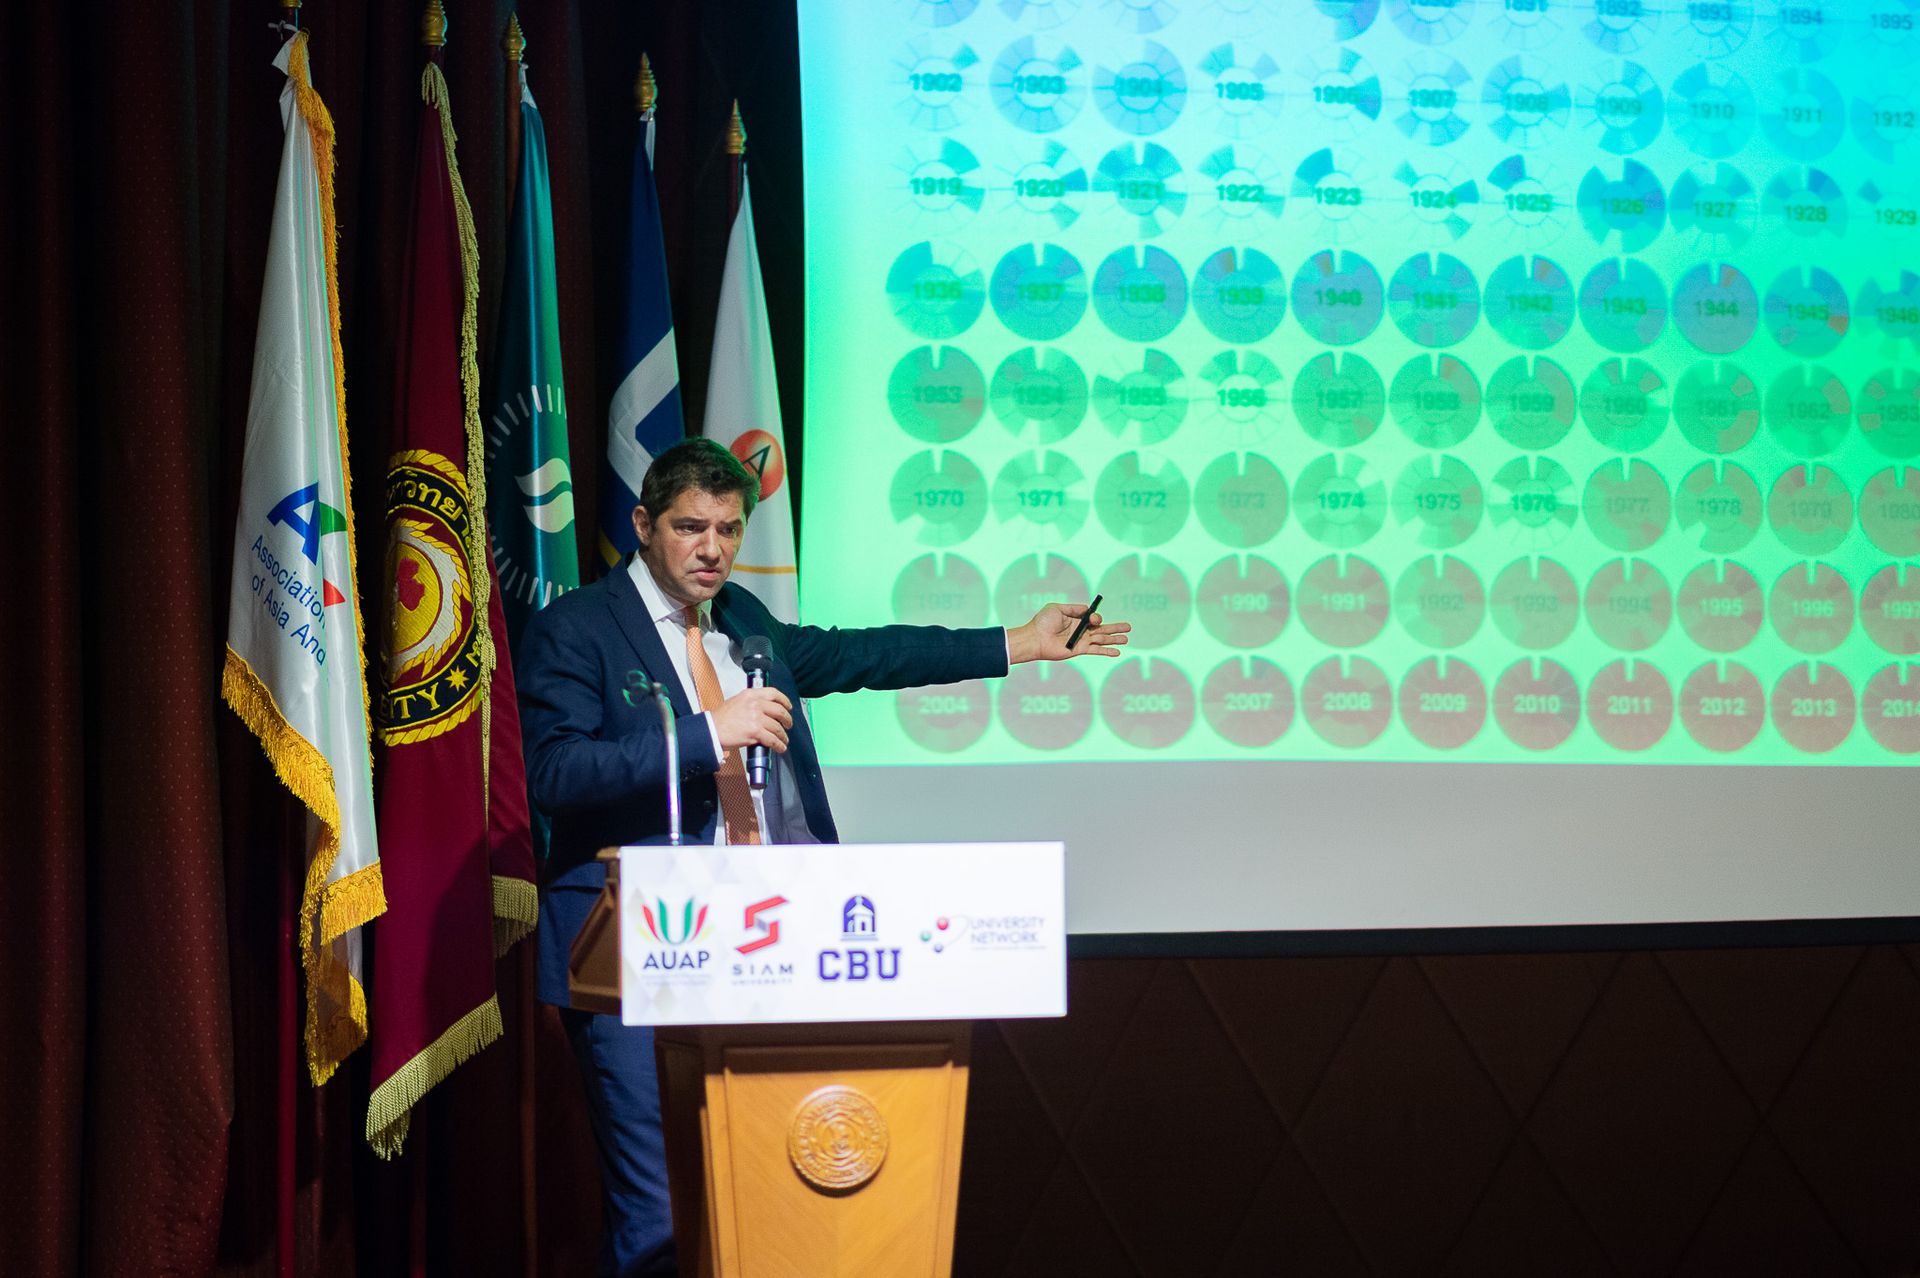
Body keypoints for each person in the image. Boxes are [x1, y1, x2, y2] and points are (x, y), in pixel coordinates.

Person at [516, 437, 1127, 1275]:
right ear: (644, 525)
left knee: (767, 1195)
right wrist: (705, 734)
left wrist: (1016, 641)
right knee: (661, 1214)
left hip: (770, 946)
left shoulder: (744, 623)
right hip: (639, 952)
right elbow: (554, 773)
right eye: (691, 528)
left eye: (729, 530)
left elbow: (862, 654)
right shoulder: (577, 627)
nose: (713, 549)